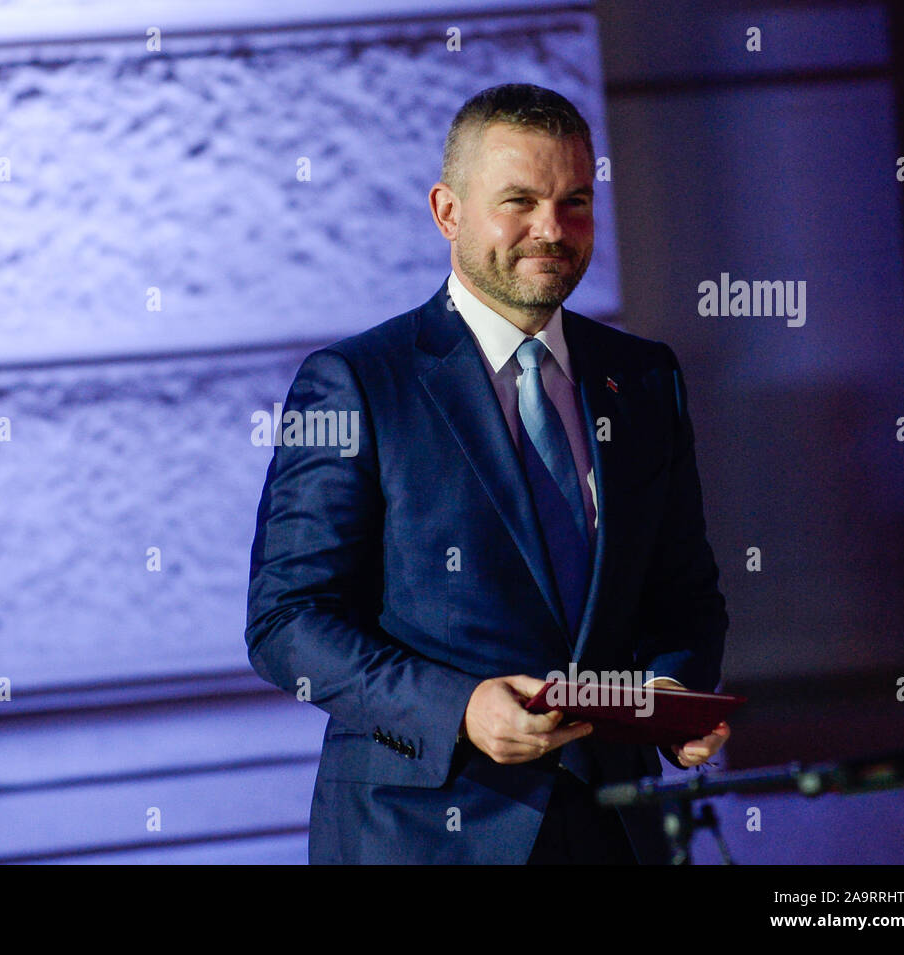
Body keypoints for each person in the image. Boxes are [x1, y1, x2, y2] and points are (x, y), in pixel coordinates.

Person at [244, 83, 730, 864]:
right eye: (519, 200)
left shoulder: (643, 379)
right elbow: (287, 621)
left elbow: (684, 595)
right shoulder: (354, 382)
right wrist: (460, 707)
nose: (553, 229)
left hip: (618, 830)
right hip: (422, 833)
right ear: (447, 212)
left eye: (575, 201)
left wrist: (668, 696)